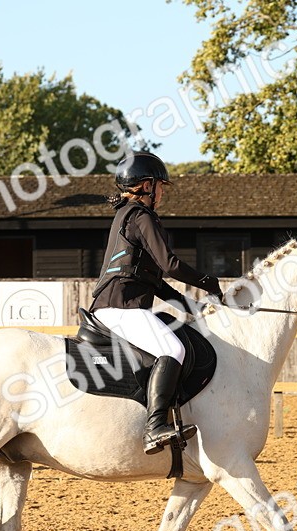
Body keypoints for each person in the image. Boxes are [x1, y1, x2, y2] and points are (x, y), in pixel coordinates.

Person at [89, 152, 224, 455]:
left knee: (169, 334)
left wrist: (191, 306)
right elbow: (170, 265)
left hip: (119, 304)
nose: (163, 192)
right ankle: (155, 428)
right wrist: (208, 282)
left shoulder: (126, 215)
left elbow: (152, 279)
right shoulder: (140, 216)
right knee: (173, 349)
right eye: (161, 185)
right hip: (121, 308)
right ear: (146, 186)